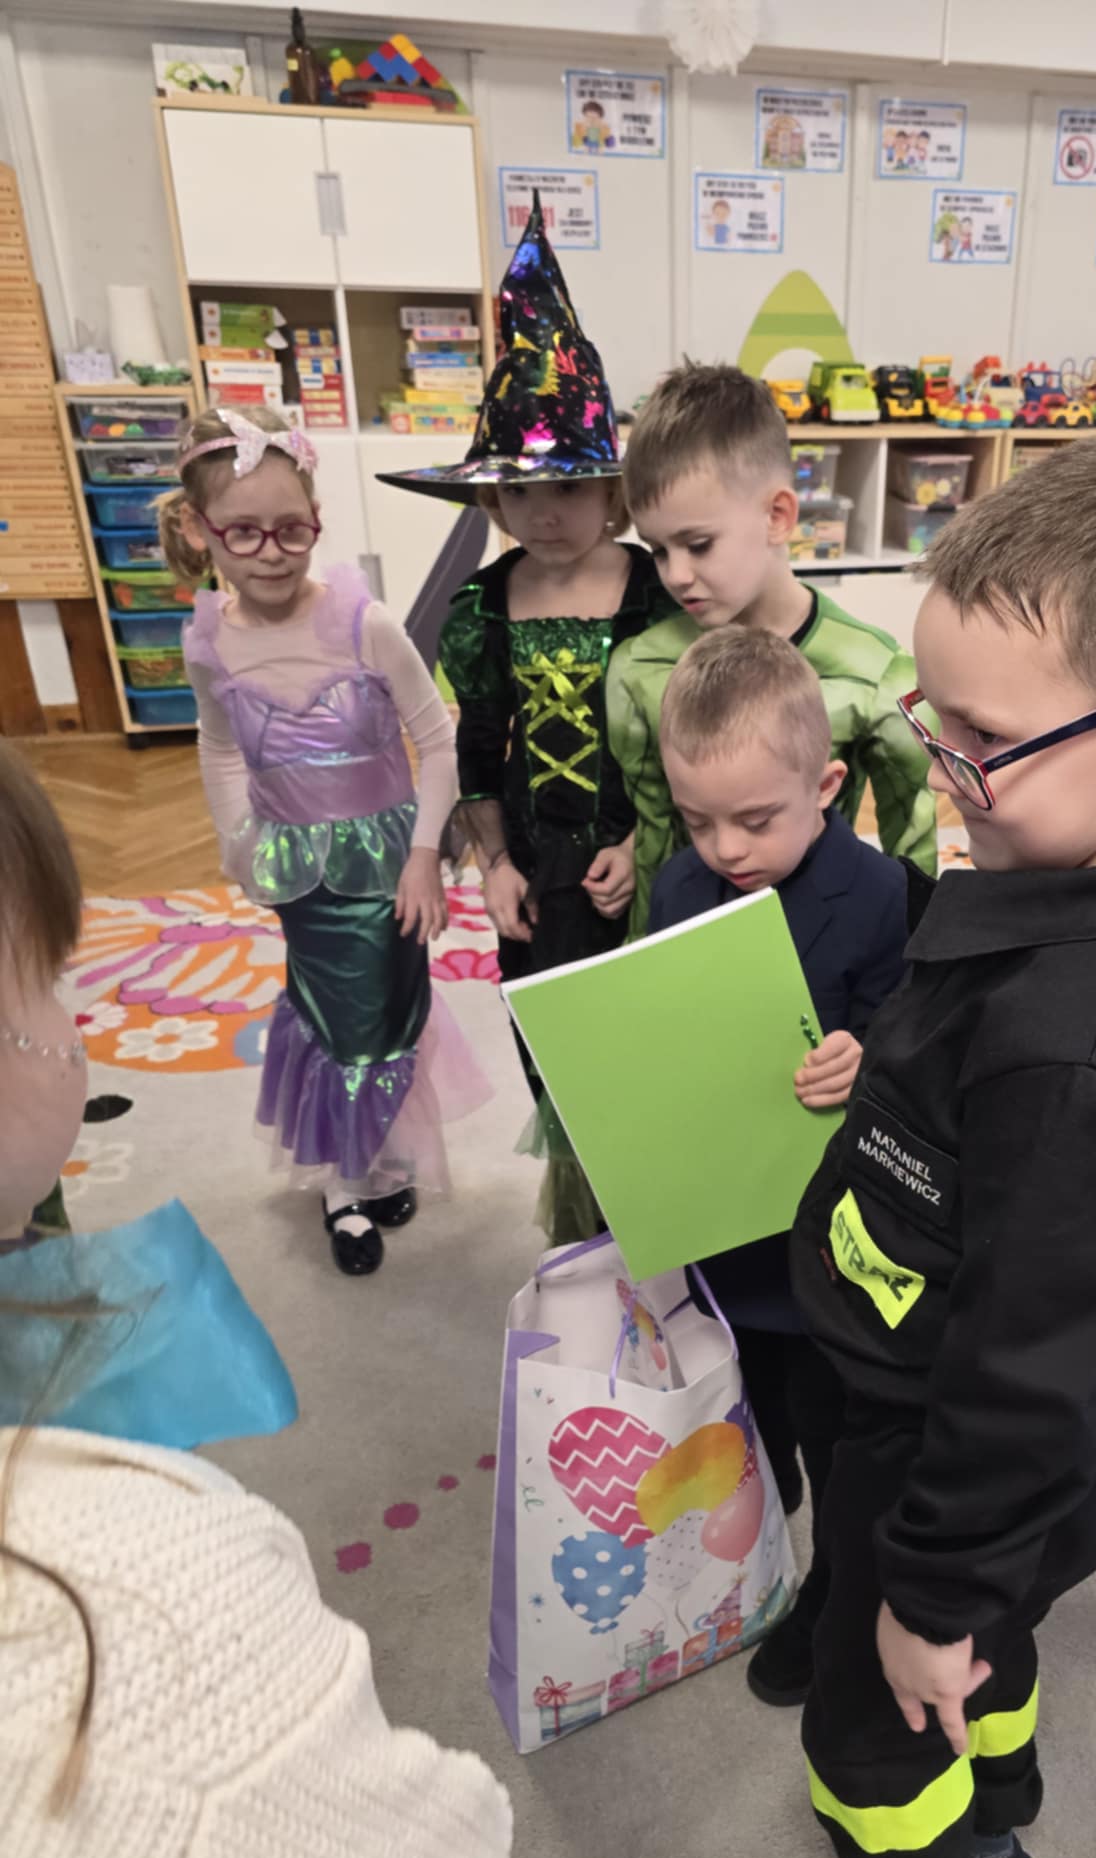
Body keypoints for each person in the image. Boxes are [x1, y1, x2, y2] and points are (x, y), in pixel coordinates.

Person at [713, 434, 1096, 1858]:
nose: (941, 767)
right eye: (935, 720)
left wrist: (928, 1598)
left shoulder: (1074, 1058)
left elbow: (1018, 1368)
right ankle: (998, 1802)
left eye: (983, 739)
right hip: (1001, 1416)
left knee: (881, 1696)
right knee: (990, 1648)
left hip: (949, 1440)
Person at [0, 740, 512, 1858]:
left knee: (382, 1041)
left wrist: (419, 849)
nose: (72, 1017)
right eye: (50, 980)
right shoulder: (169, 1603)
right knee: (335, 1046)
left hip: (374, 882)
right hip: (307, 895)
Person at [385, 194, 673, 1244]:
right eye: (520, 491)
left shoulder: (657, 591)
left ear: (615, 492)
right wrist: (493, 862)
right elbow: (475, 743)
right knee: (553, 1042)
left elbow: (687, 734)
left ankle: (661, 1208)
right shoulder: (485, 604)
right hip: (536, 867)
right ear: (491, 501)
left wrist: (645, 841)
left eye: (572, 486)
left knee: (648, 1044)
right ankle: (584, 1227)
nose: (545, 512)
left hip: (641, 855)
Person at [648, 627, 909, 1707]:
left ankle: (833, 1591)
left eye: (756, 820)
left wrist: (867, 1053)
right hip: (725, 1228)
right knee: (749, 1404)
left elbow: (915, 1041)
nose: (725, 847)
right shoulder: (678, 888)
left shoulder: (885, 893)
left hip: (830, 1241)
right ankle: (769, 1504)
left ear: (828, 787)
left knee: (840, 1428)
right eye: (697, 819)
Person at [167, 405, 488, 1279]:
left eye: (291, 529)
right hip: (301, 876)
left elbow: (438, 740)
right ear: (200, 529)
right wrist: (237, 840)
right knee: (338, 1020)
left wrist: (425, 855)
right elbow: (219, 745)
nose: (271, 552)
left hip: (390, 867)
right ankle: (343, 1186)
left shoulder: (363, 622)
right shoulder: (209, 642)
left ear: (316, 519)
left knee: (393, 1011)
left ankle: (378, 1157)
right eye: (243, 533)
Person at [608, 362, 936, 937]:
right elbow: (655, 839)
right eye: (658, 550)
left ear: (778, 516)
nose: (675, 575)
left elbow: (912, 854)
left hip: (830, 939)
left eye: (698, 544)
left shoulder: (874, 675)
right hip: (697, 938)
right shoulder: (641, 668)